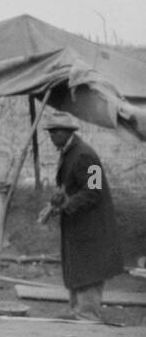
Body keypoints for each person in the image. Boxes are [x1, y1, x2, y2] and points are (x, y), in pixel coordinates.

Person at [43, 114, 123, 322]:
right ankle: (77, 310)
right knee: (77, 267)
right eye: (50, 132)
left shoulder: (86, 155)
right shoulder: (68, 153)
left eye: (54, 132)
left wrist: (68, 203)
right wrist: (58, 199)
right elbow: (72, 185)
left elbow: (95, 190)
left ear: (66, 133)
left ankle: (88, 314)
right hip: (78, 225)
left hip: (93, 227)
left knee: (89, 269)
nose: (51, 136)